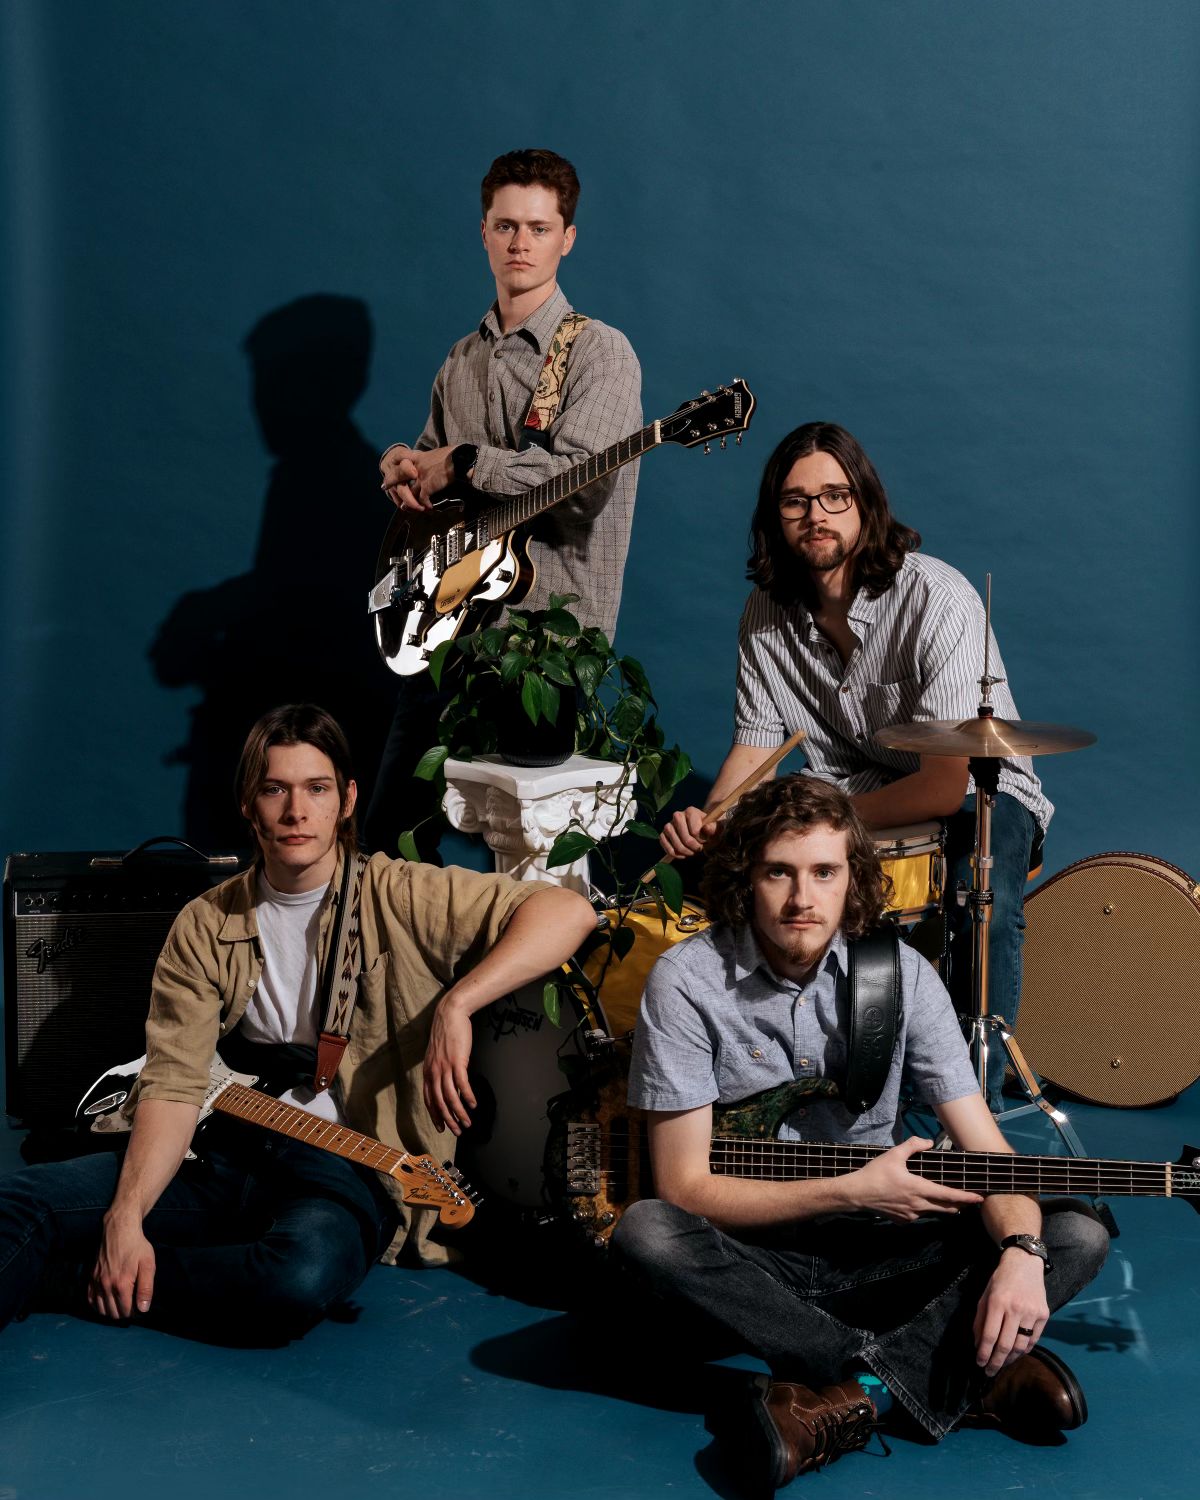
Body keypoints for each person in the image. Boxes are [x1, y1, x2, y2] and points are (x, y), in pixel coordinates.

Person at [0, 705, 595, 1343]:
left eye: (316, 789)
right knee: (19, 1205)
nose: (296, 811)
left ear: (346, 800)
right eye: (274, 789)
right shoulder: (205, 924)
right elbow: (174, 1085)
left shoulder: (398, 894)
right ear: (249, 805)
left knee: (297, 1280)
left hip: (346, 1165)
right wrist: (125, 1219)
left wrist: (459, 1003)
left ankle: (73, 1280)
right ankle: (106, 1260)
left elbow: (567, 910)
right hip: (223, 1143)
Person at [617, 776, 1107, 1487]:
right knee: (647, 1233)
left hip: (885, 1253)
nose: (801, 899)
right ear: (745, 877)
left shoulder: (903, 976)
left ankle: (851, 1394)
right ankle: (942, 1376)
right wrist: (850, 1189)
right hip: (757, 1260)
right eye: (777, 872)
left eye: (824, 872)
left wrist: (1025, 1252)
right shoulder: (687, 981)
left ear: (854, 880)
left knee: (1076, 1234)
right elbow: (685, 1187)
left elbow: (985, 1151)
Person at [660, 421, 1051, 1110]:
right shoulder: (765, 612)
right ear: (773, 518)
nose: (816, 515)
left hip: (980, 793)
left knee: (977, 889)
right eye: (795, 501)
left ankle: (969, 1099)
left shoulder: (937, 597)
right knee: (725, 868)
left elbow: (943, 783)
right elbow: (755, 746)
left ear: (866, 505)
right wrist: (713, 821)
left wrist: (822, 825)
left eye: (835, 496)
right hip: (850, 791)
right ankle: (766, 1078)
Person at [365, 148, 642, 853]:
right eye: (506, 225)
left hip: (542, 652)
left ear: (567, 237)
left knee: (531, 860)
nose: (521, 243)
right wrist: (405, 470)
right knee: (388, 846)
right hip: (449, 630)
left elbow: (579, 489)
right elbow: (433, 484)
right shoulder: (461, 360)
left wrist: (460, 463)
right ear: (483, 232)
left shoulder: (598, 354)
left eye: (539, 228)